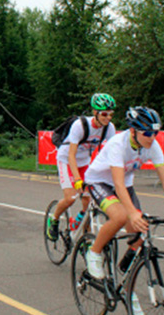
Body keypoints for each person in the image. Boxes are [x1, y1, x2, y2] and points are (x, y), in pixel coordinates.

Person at [83, 106, 164, 282]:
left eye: (155, 132)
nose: (152, 137)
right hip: (99, 181)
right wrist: (131, 213)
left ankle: (124, 274)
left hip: (124, 184)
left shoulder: (153, 146)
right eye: (146, 133)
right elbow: (118, 184)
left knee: (140, 232)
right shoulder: (118, 144)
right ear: (133, 131)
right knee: (120, 216)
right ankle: (94, 252)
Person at [47, 93, 117, 240]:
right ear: (95, 112)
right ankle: (54, 219)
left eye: (111, 114)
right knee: (71, 198)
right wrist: (77, 179)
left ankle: (84, 235)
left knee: (88, 202)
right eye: (104, 114)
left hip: (84, 162)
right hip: (66, 159)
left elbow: (112, 154)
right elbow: (71, 154)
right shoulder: (79, 125)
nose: (108, 118)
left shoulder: (109, 128)